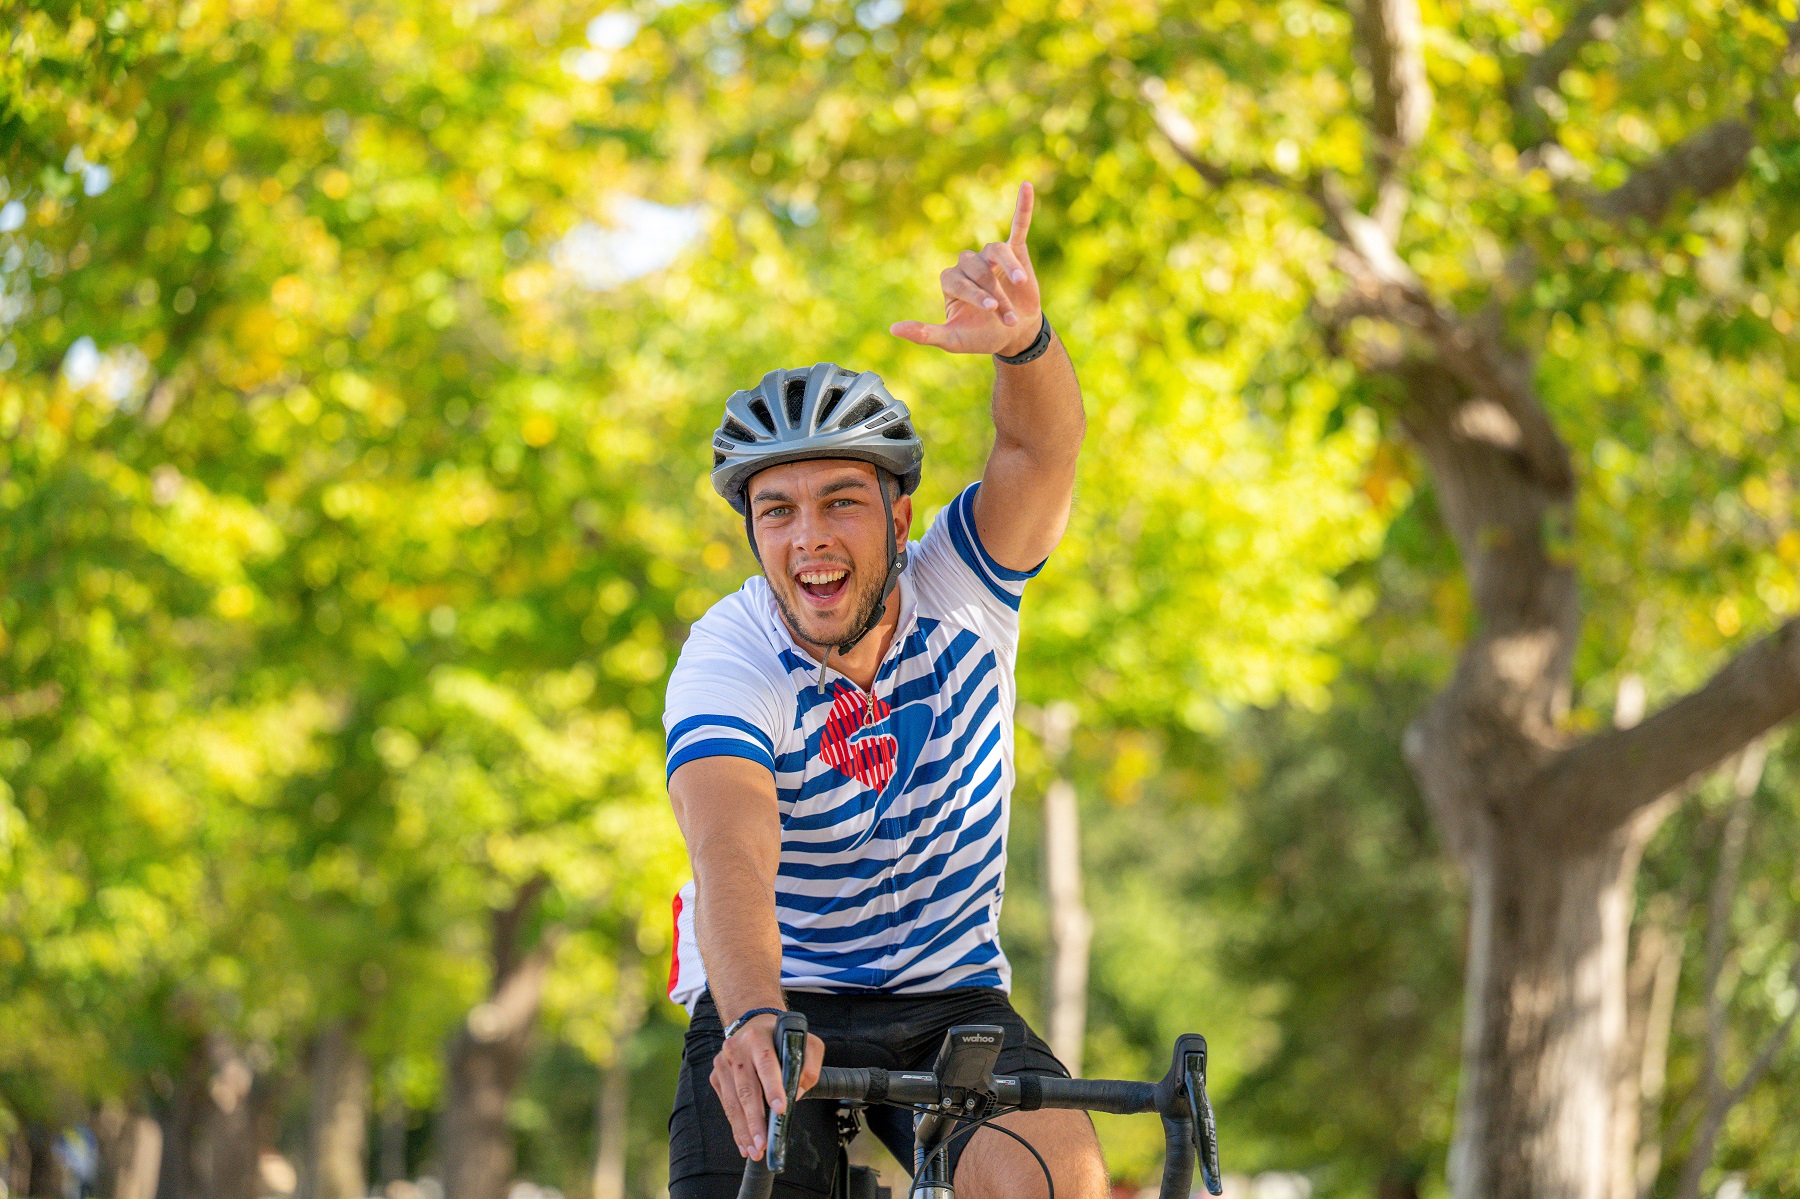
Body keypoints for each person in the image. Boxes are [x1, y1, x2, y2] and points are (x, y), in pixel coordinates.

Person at [665, 182, 1095, 1199]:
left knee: (1058, 1173)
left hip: (949, 997)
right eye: (777, 511)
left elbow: (1038, 450)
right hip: (779, 990)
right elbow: (731, 849)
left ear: (901, 518)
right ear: (755, 534)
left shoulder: (961, 581)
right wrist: (758, 1016)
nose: (808, 535)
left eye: (840, 501)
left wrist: (1025, 344)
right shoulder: (729, 656)